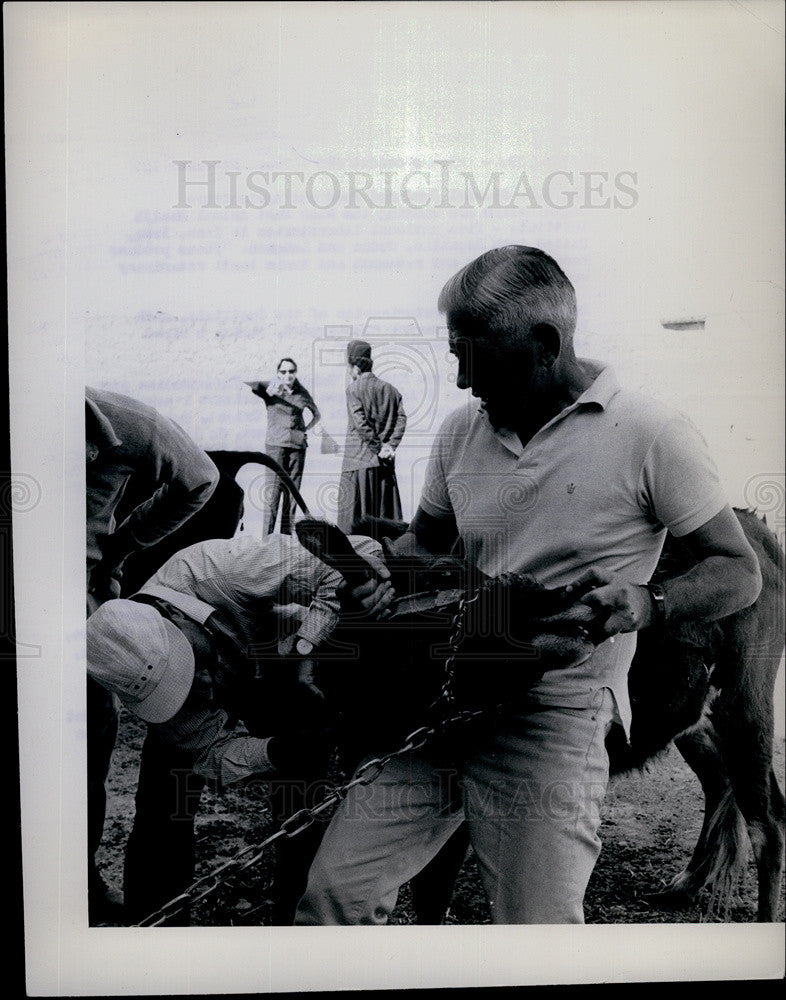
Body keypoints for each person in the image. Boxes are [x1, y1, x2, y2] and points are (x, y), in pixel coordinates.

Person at [294, 245, 763, 925]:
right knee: (332, 896)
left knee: (537, 934)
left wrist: (646, 602)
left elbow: (738, 569)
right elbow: (426, 544)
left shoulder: (651, 433)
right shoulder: (461, 433)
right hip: (442, 700)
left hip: (551, 720)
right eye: (452, 353)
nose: (458, 379)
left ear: (544, 345)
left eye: (472, 356)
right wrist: (374, 575)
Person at [87, 530, 392, 925]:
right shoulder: (142, 681)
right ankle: (156, 936)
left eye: (187, 664)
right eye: (172, 688)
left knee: (300, 805)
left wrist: (307, 648)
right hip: (249, 675)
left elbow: (361, 550)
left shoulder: (223, 569)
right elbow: (211, 752)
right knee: (165, 805)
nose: (199, 684)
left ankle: (296, 926)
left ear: (175, 616)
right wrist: (273, 751)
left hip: (286, 669)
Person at [85, 386, 219, 922]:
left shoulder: (125, 421)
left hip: (79, 603)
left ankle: (81, 882)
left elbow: (199, 478)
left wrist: (123, 543)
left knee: (89, 745)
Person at [337, 340, 407, 534]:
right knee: (385, 528)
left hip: (358, 463)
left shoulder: (353, 389)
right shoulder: (392, 390)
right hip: (385, 466)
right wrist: (389, 447)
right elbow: (402, 419)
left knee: (352, 531)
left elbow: (360, 424)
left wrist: (378, 448)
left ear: (354, 366)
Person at [246, 358, 321, 534]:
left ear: (295, 372)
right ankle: (267, 540)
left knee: (292, 495)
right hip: (275, 446)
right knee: (272, 495)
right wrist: (269, 384)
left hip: (297, 447)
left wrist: (305, 429)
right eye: (283, 372)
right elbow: (248, 380)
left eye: (291, 371)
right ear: (278, 373)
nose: (288, 375)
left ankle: (286, 538)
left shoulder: (302, 392)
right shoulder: (270, 389)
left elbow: (317, 414)